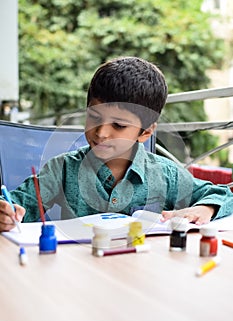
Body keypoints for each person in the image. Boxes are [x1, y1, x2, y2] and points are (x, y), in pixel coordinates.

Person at [0, 56, 233, 232]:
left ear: (146, 132)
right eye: (94, 116)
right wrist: (7, 213)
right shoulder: (61, 169)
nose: (101, 133)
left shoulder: (166, 175)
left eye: (119, 126)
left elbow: (223, 195)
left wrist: (205, 209)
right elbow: (19, 204)